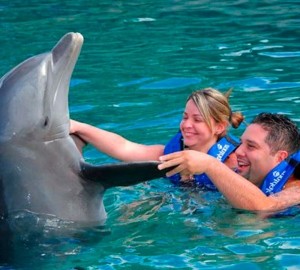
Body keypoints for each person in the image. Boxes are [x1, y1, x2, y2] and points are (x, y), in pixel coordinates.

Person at [70, 87, 244, 189]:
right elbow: (124, 147)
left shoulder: (235, 163)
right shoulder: (170, 155)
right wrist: (79, 127)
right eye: (184, 117)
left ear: (219, 127)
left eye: (197, 120)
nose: (186, 125)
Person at [158, 113, 300, 212]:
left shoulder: (295, 188)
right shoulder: (240, 169)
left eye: (251, 146)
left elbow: (264, 208)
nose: (238, 151)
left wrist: (211, 164)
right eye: (242, 143)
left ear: (279, 157)